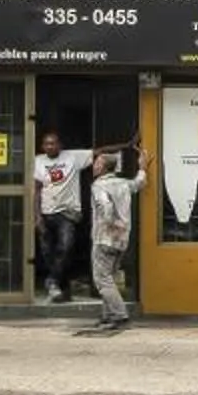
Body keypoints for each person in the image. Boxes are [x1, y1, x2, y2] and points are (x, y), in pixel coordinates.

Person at [82, 142, 144, 334]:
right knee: (109, 277)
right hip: (122, 239)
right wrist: (142, 167)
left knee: (102, 279)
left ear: (104, 168)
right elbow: (139, 183)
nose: (94, 166)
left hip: (105, 237)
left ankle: (119, 315)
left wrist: (108, 222)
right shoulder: (123, 183)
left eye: (98, 163)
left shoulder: (98, 185)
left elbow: (105, 207)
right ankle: (107, 316)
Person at [28, 132, 92, 303]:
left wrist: (127, 145)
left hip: (66, 213)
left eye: (53, 143)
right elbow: (36, 190)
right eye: (47, 144)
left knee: (66, 247)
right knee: (48, 253)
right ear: (43, 146)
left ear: (60, 145)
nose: (50, 146)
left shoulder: (72, 157)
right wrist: (37, 217)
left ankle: (52, 281)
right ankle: (62, 290)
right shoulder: (39, 160)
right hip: (46, 213)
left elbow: (100, 151)